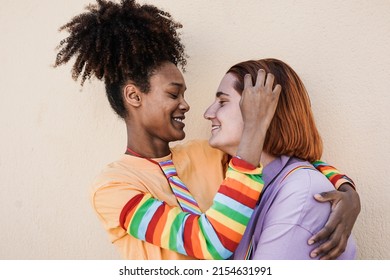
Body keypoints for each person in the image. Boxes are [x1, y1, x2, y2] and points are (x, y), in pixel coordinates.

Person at [54, 0, 360, 260]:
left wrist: (345, 189)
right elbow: (209, 243)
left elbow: (281, 164)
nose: (188, 106)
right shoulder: (113, 188)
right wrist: (253, 128)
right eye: (174, 94)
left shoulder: (207, 154)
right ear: (134, 96)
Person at [203, 58, 357, 259]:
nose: (208, 113)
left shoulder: (301, 192)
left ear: (263, 110)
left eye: (223, 102)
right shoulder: (252, 182)